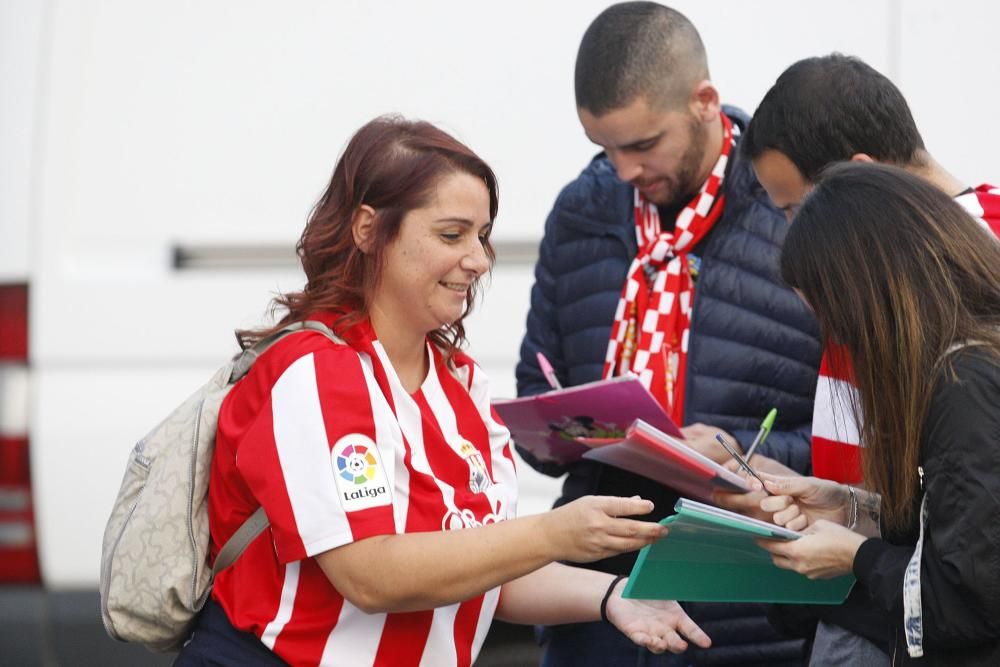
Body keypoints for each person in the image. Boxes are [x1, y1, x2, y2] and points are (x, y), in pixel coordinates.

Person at [172, 115, 711, 666]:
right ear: (367, 228)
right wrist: (553, 534)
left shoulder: (462, 380)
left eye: (482, 236)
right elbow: (371, 575)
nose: (478, 260)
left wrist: (611, 595)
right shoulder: (317, 369)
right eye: (452, 234)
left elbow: (484, 568)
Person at [515, 3, 821, 665]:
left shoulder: (792, 214)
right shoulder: (581, 213)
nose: (624, 169)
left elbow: (855, 437)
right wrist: (603, 434)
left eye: (644, 144)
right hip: (602, 604)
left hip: (748, 615)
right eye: (606, 148)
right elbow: (534, 402)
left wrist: (737, 450)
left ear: (704, 102)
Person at [756, 162, 1000, 665]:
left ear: (870, 291)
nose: (838, 337)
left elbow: (967, 602)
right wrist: (850, 507)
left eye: (832, 313)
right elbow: (952, 523)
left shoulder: (962, 385)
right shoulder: (964, 366)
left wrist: (854, 556)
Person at [739, 54, 1000, 485]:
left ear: (859, 176)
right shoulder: (885, 260)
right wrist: (824, 502)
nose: (792, 234)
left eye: (798, 210)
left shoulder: (926, 267)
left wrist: (862, 544)